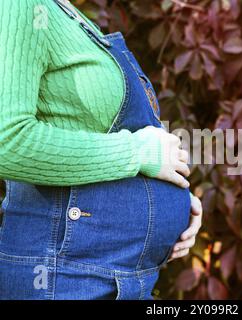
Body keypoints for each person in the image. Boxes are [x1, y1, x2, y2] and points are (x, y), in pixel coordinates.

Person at [0, 0, 202, 300]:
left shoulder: (67, 14)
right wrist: (135, 152)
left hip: (119, 275)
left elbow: (93, 133)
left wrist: (174, 198)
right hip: (63, 275)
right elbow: (7, 142)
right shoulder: (23, 6)